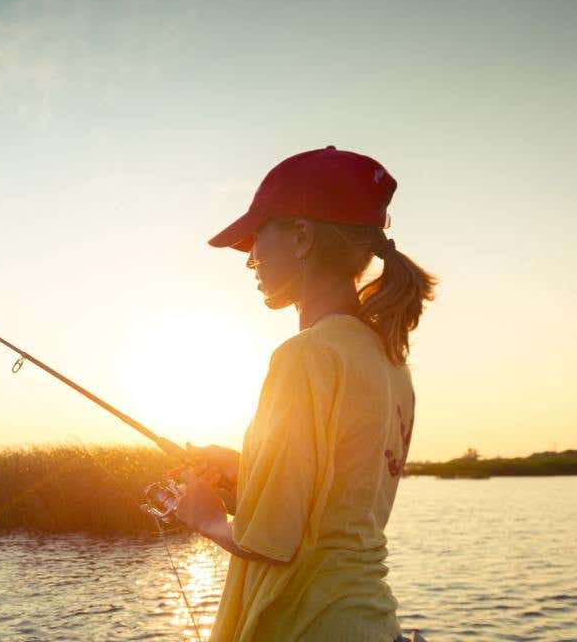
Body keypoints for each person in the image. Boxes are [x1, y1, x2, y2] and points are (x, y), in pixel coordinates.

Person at [174, 146, 435, 642]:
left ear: (300, 237)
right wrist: (249, 468)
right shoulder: (390, 361)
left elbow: (269, 541)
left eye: (256, 238)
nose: (249, 258)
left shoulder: (303, 357)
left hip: (308, 626)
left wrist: (205, 517)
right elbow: (335, 502)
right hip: (373, 625)